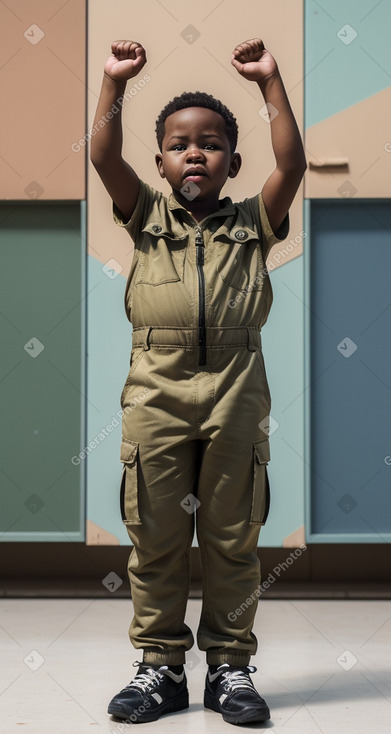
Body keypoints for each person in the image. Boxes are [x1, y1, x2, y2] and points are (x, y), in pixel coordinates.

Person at [91, 37, 306, 726]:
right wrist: (114, 83)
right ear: (159, 162)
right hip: (155, 390)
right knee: (153, 536)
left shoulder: (254, 222)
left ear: (231, 162)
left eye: (210, 144)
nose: (193, 153)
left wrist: (270, 84)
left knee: (231, 536)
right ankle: (158, 668)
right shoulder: (145, 217)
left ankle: (229, 668)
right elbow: (99, 154)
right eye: (179, 144)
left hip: (236, 391)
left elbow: (293, 162)